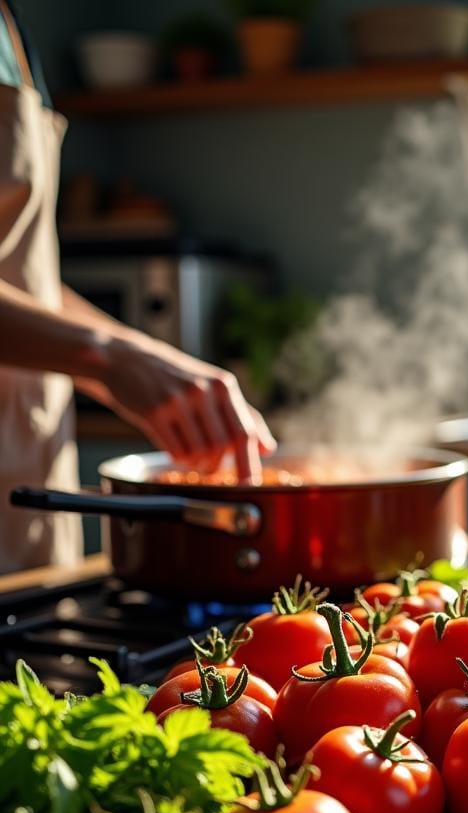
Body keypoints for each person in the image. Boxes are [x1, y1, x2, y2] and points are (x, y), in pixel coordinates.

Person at [0, 1, 274, 573]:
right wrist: (108, 355)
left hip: (27, 489)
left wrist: (139, 359)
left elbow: (27, 282)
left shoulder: (11, 26)